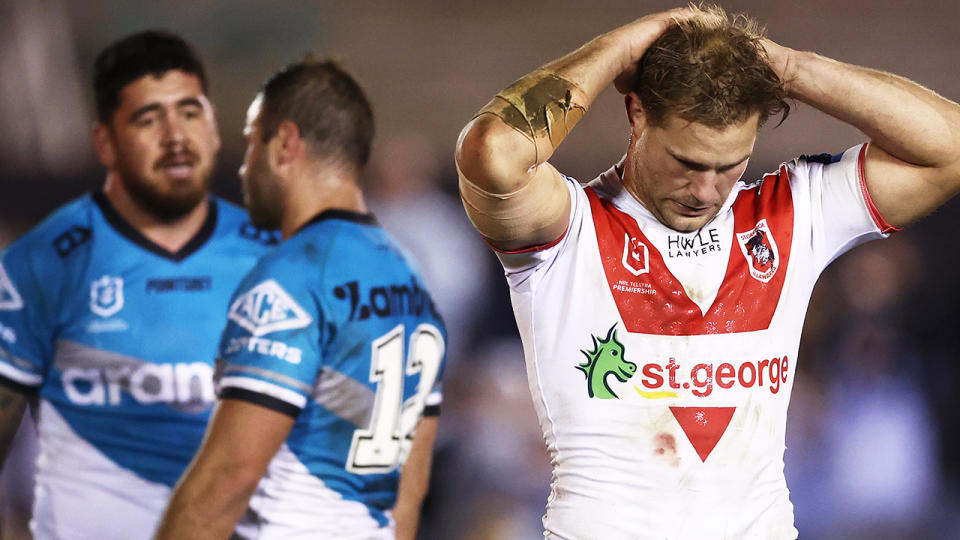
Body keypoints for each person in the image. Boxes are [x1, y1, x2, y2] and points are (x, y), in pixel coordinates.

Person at [454, 4, 960, 539]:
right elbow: (492, 150)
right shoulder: (570, 230)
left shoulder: (794, 211)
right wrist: (626, 48)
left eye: (728, 166)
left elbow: (947, 148)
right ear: (637, 114)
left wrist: (786, 67)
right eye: (688, 162)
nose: (705, 191)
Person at [0, 30, 277, 539]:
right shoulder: (40, 268)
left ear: (215, 129)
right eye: (149, 119)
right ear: (104, 142)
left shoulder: (274, 264)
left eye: (190, 113)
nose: (176, 136)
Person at [155, 59, 447, 540]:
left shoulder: (292, 277)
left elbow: (226, 480)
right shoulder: (412, 283)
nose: (245, 167)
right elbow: (408, 494)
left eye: (252, 143)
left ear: (286, 145)